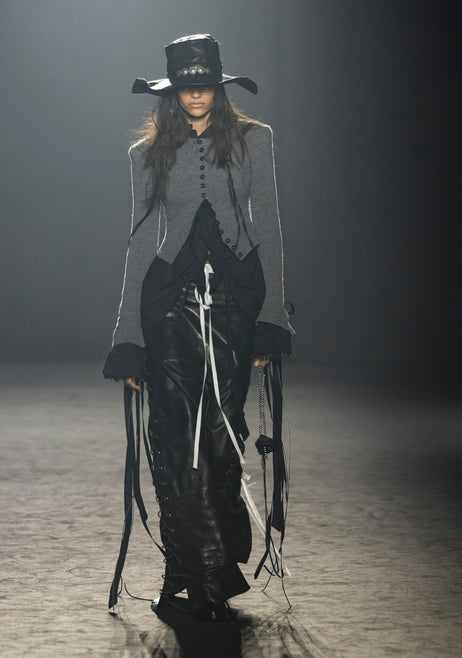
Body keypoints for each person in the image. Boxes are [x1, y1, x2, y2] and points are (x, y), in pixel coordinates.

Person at [103, 34, 294, 622]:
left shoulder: (255, 140)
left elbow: (269, 227)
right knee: (174, 438)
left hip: (235, 305)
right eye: (186, 86)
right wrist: (127, 336)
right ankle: (202, 576)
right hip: (168, 306)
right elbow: (140, 241)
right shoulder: (147, 153)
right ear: (172, 91)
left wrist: (272, 314)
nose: (195, 94)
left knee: (221, 437)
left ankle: (190, 569)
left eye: (204, 84)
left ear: (218, 86)